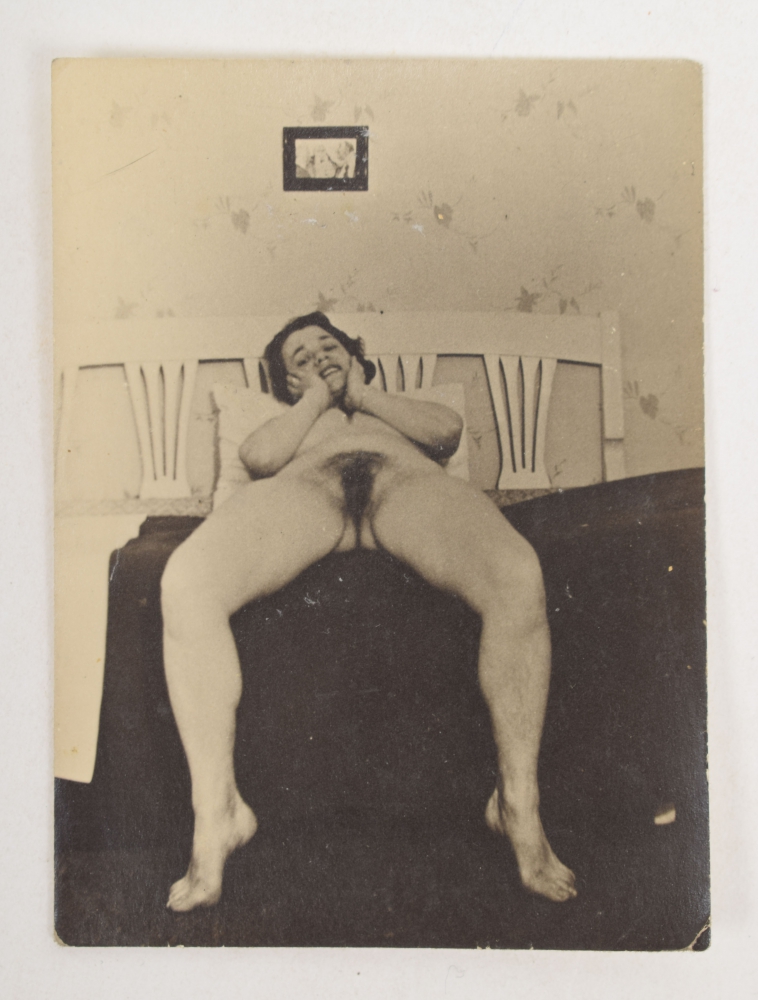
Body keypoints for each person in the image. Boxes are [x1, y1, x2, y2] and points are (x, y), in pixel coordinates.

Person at [161, 311, 577, 912]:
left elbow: (446, 432)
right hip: (309, 493)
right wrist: (316, 400)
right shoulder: (296, 420)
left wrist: (361, 395)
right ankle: (218, 812)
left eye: (327, 346)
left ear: (356, 354)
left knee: (517, 574)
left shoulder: (391, 411)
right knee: (186, 583)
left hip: (402, 487)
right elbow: (260, 457)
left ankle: (517, 805)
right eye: (300, 359)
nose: (317, 358)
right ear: (287, 383)